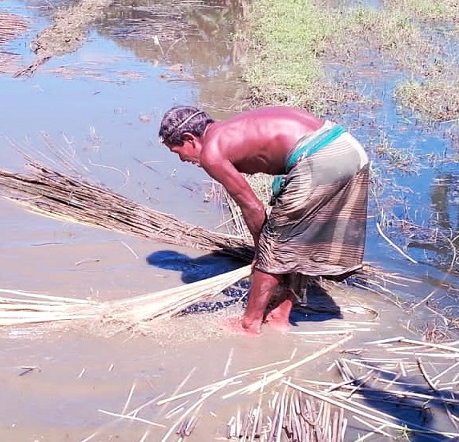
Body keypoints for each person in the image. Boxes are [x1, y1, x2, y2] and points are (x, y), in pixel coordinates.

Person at [158, 105, 370, 335]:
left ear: (190, 139)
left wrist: (262, 250)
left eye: (177, 152)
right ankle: (280, 314)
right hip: (349, 148)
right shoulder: (228, 129)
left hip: (322, 158)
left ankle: (249, 323)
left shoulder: (211, 152)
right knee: (301, 240)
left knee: (275, 245)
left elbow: (252, 206)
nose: (181, 160)